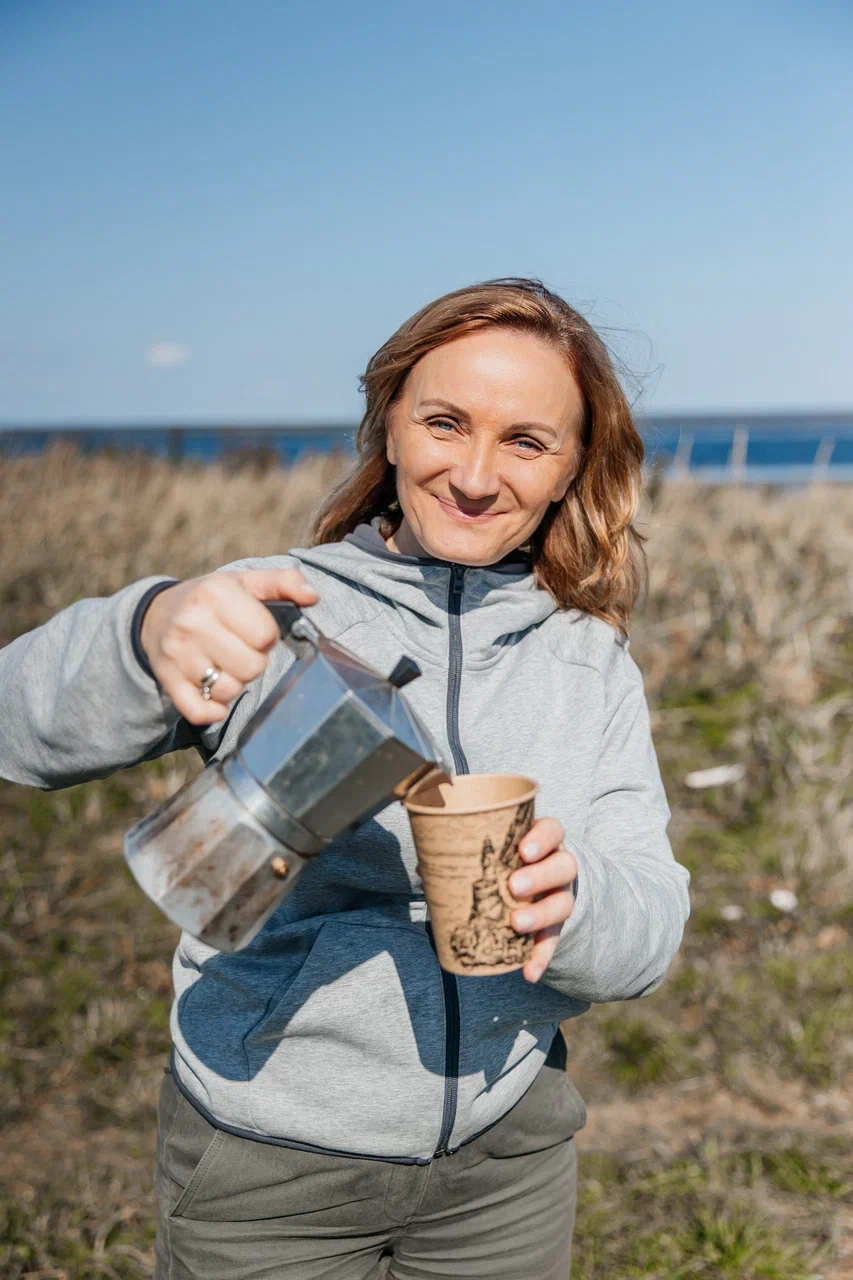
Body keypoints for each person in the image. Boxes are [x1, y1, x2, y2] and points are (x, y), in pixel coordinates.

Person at [0, 277, 691, 1279]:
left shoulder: (587, 659)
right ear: (390, 429)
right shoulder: (276, 603)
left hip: (505, 1163)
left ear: (574, 466)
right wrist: (145, 628)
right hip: (265, 1161)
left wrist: (575, 902)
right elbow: (16, 725)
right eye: (444, 422)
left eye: (526, 441)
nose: (474, 473)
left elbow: (653, 921)